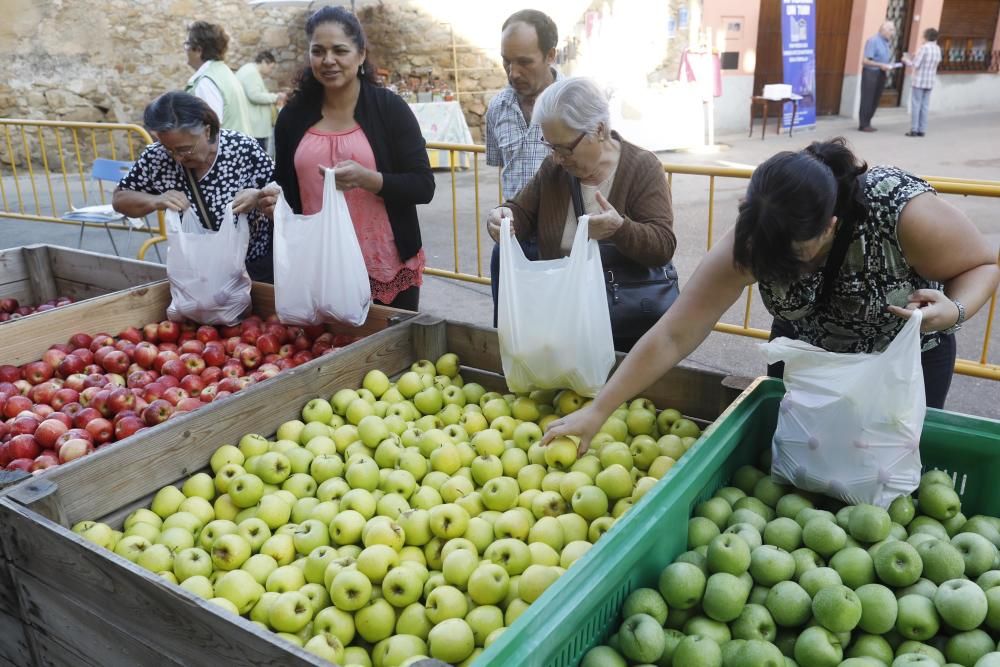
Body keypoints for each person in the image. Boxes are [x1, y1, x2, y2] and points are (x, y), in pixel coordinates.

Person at [543, 138, 1000, 454]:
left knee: (888, 468)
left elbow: (982, 262)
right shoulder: (754, 238)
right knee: (803, 466)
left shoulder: (899, 212)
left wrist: (956, 309)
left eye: (796, 262)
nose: (783, 274)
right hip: (809, 361)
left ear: (830, 227)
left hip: (902, 364)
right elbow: (674, 334)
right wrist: (599, 409)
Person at [259, 6, 434, 311]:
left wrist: (370, 179)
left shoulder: (389, 109)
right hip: (318, 261)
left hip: (384, 262)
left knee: (389, 354)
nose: (328, 60)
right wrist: (269, 199)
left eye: (340, 50)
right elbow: (285, 183)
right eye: (318, 51)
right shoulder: (292, 115)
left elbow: (423, 186)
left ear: (361, 54)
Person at [485, 77, 678, 352]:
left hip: (622, 328)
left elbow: (663, 246)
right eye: (550, 146)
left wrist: (620, 229)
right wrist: (503, 215)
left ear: (598, 130)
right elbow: (522, 213)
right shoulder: (555, 170)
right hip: (563, 320)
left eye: (564, 147)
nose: (557, 157)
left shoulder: (642, 168)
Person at [112, 92, 275, 282]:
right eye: (168, 149)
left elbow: (281, 191)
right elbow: (120, 199)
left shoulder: (242, 149)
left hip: (253, 266)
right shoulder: (156, 158)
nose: (177, 158)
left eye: (184, 149)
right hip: (196, 273)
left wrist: (258, 196)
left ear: (206, 131)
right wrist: (156, 200)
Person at [485, 9, 561, 327]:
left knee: (561, 344)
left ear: (550, 55)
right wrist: (499, 215)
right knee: (511, 338)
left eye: (525, 62)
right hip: (511, 246)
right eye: (506, 61)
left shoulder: (578, 103)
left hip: (563, 249)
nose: (513, 72)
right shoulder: (497, 108)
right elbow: (503, 171)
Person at [184, 21, 254, 136]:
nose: (185, 50)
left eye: (187, 44)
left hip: (223, 152)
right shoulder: (223, 72)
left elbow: (210, 131)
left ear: (198, 50)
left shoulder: (206, 82)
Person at [236, 50, 287, 151]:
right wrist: (276, 97)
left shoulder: (250, 70)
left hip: (254, 126)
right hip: (254, 128)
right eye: (271, 67)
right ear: (264, 62)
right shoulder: (251, 72)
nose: (270, 71)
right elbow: (255, 96)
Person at [903, 28, 942, 137]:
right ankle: (922, 129)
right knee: (925, 106)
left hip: (919, 81)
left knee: (916, 105)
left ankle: (914, 129)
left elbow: (915, 65)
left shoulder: (924, 48)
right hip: (929, 81)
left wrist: (906, 60)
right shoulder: (937, 48)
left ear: (926, 36)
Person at [859, 21, 896, 132]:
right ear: (883, 30)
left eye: (893, 30)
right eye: (890, 30)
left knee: (875, 99)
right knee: (868, 99)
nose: (892, 33)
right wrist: (881, 65)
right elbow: (865, 61)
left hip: (881, 73)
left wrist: (888, 66)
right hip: (871, 73)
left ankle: (868, 122)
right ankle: (863, 124)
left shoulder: (886, 42)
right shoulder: (873, 41)